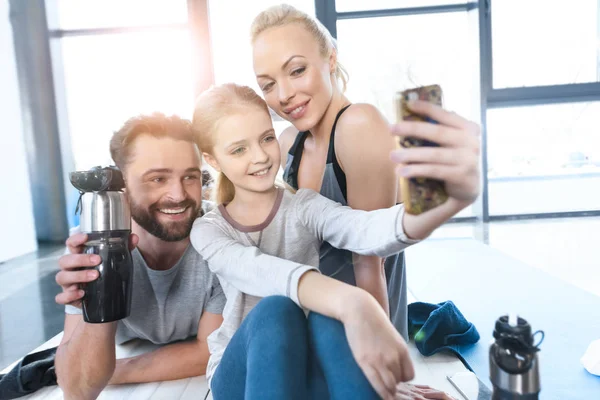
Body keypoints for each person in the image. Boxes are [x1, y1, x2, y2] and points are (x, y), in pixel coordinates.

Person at [189, 83, 478, 400]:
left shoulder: (304, 206)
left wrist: (446, 202)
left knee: (327, 317)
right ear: (212, 160)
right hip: (242, 380)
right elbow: (262, 272)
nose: (259, 157)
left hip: (304, 370)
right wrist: (353, 302)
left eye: (266, 138)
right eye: (238, 149)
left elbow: (366, 229)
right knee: (278, 310)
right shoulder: (208, 230)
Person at [251, 4, 480, 342]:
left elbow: (370, 264)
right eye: (268, 84)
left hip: (363, 332)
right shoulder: (288, 142)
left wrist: (386, 375)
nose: (284, 95)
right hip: (312, 323)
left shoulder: (359, 126)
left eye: (297, 70)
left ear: (330, 59)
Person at [54, 113, 225, 400]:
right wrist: (97, 293)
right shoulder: (90, 246)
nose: (178, 194)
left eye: (190, 177)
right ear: (123, 188)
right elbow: (78, 388)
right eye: (157, 178)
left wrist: (114, 370)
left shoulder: (222, 237)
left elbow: (210, 351)